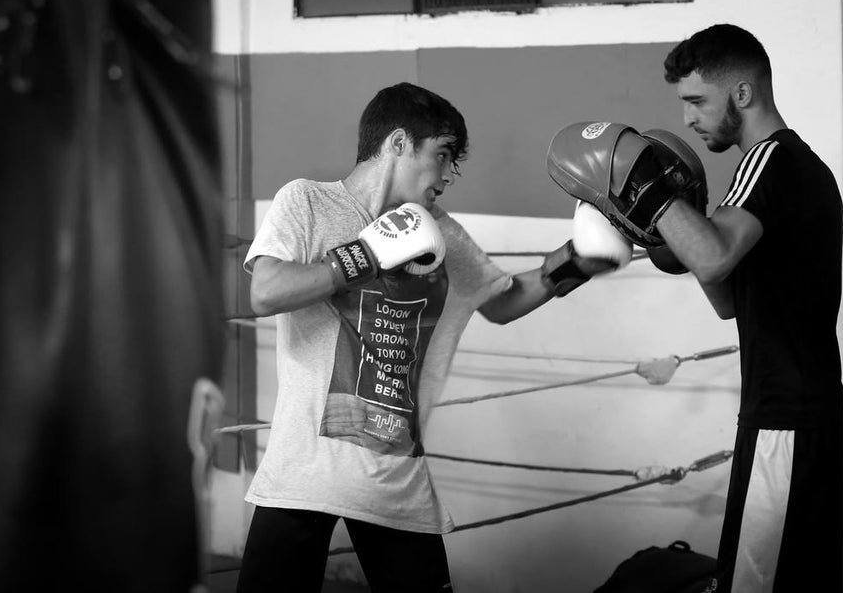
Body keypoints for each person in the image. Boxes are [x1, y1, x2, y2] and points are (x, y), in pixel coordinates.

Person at [236, 81, 629, 593]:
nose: (447, 176)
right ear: (398, 143)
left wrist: (577, 260)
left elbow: (504, 301)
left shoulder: (439, 230)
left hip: (395, 476)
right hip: (303, 473)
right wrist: (367, 254)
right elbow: (266, 292)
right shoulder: (309, 200)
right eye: (441, 155)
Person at [650, 24, 843, 592]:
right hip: (794, 415)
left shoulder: (770, 161)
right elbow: (729, 299)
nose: (688, 117)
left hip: (787, 419)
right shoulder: (792, 168)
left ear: (741, 93)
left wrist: (652, 197)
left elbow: (713, 260)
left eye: (697, 101)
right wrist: (681, 226)